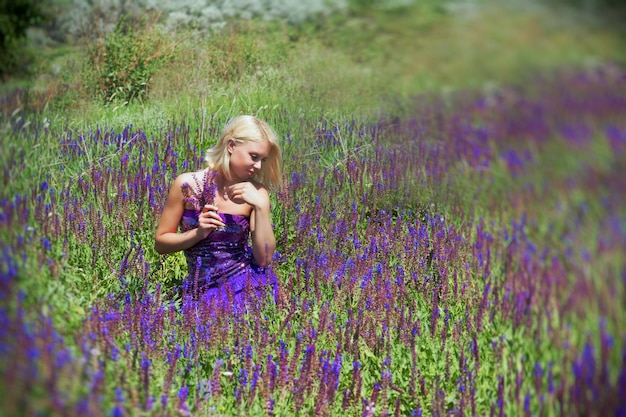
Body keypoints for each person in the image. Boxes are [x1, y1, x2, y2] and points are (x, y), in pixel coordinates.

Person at [155, 115, 282, 306]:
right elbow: (161, 244)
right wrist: (198, 234)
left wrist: (262, 207)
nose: (258, 166)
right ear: (231, 146)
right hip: (201, 290)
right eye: (254, 157)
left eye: (263, 160)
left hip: (244, 287)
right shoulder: (187, 185)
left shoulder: (256, 193)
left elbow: (264, 259)